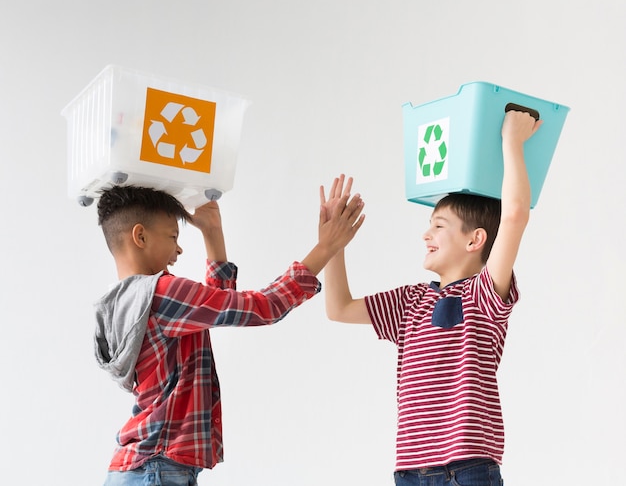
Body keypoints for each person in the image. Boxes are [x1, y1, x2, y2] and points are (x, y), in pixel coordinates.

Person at [321, 110, 541, 486]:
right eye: (428, 225)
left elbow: (515, 214)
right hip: (410, 471)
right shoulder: (409, 302)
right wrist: (332, 246)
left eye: (438, 226)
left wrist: (512, 142)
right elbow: (339, 308)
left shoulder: (484, 293)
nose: (426, 235)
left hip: (468, 468)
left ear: (475, 241)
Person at [94, 182, 364, 485]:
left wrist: (212, 233)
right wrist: (326, 247)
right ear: (140, 236)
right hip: (156, 469)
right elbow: (263, 307)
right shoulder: (162, 293)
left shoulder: (123, 302)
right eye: (173, 236)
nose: (179, 249)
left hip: (141, 468)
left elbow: (215, 311)